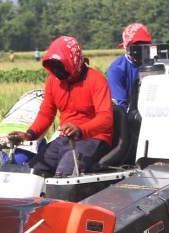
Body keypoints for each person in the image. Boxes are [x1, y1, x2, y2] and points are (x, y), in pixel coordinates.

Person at [9, 36, 113, 177]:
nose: (57, 71)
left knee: (64, 174)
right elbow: (46, 113)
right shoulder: (53, 82)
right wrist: (29, 135)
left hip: (94, 139)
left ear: (73, 61)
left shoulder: (96, 80)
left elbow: (106, 118)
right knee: (31, 172)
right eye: (53, 67)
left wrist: (80, 130)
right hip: (65, 138)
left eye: (60, 65)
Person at [106, 23, 152, 110]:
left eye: (145, 45)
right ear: (127, 46)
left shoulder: (157, 64)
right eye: (137, 45)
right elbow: (121, 106)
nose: (141, 49)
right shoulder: (117, 70)